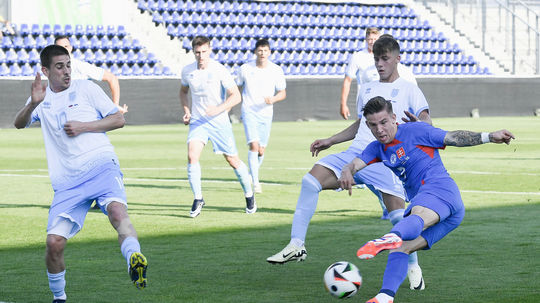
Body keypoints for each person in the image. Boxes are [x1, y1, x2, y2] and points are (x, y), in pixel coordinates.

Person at [267, 36, 430, 290]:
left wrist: (417, 126)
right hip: (355, 153)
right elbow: (361, 125)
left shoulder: (410, 89)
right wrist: (331, 140)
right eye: (376, 58)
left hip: (384, 159)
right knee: (311, 181)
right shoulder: (366, 88)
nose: (379, 64)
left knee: (399, 217)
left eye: (385, 58)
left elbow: (426, 122)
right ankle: (297, 245)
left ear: (397, 58)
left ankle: (412, 266)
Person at [339, 96, 514, 303]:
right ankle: (385, 296)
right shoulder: (376, 148)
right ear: (367, 125)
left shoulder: (416, 130)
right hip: (450, 214)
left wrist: (489, 136)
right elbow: (354, 164)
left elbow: (453, 137)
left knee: (414, 217)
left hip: (440, 190)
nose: (379, 130)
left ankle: (390, 236)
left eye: (384, 122)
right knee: (402, 248)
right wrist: (346, 170)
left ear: (394, 118)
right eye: (373, 125)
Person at [13, 45, 147, 303]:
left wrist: (85, 126)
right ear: (45, 70)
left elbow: (118, 119)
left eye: (68, 65)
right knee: (54, 244)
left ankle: (134, 258)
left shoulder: (86, 88)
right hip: (68, 183)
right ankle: (59, 298)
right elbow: (19, 123)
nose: (66, 71)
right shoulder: (41, 98)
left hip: (101, 165)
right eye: (59, 66)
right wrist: (33, 104)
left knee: (118, 214)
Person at [340, 30, 416, 220]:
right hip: (373, 128)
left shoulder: (407, 75)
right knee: (370, 166)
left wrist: (418, 126)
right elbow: (355, 87)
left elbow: (418, 107)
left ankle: (401, 202)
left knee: (397, 169)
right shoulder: (365, 68)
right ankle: (390, 204)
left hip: (397, 131)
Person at [180, 35, 255, 217]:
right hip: (198, 121)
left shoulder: (219, 70)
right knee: (192, 156)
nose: (201, 56)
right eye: (197, 52)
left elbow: (236, 96)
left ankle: (249, 194)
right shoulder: (187, 71)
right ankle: (198, 198)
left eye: (204, 52)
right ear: (193, 52)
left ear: (210, 50)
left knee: (232, 160)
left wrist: (219, 109)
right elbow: (183, 92)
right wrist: (187, 110)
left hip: (219, 122)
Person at [236, 38, 286, 194]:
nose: (262, 53)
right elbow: (237, 88)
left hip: (266, 113)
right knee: (254, 145)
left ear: (269, 52)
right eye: (260, 50)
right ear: (255, 52)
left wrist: (273, 99)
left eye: (265, 50)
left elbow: (282, 92)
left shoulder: (276, 70)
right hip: (249, 110)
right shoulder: (245, 69)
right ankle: (256, 183)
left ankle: (252, 174)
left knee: (261, 150)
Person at [54, 35, 126, 114]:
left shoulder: (79, 66)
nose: (63, 49)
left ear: (71, 48)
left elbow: (112, 78)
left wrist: (115, 104)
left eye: (66, 46)